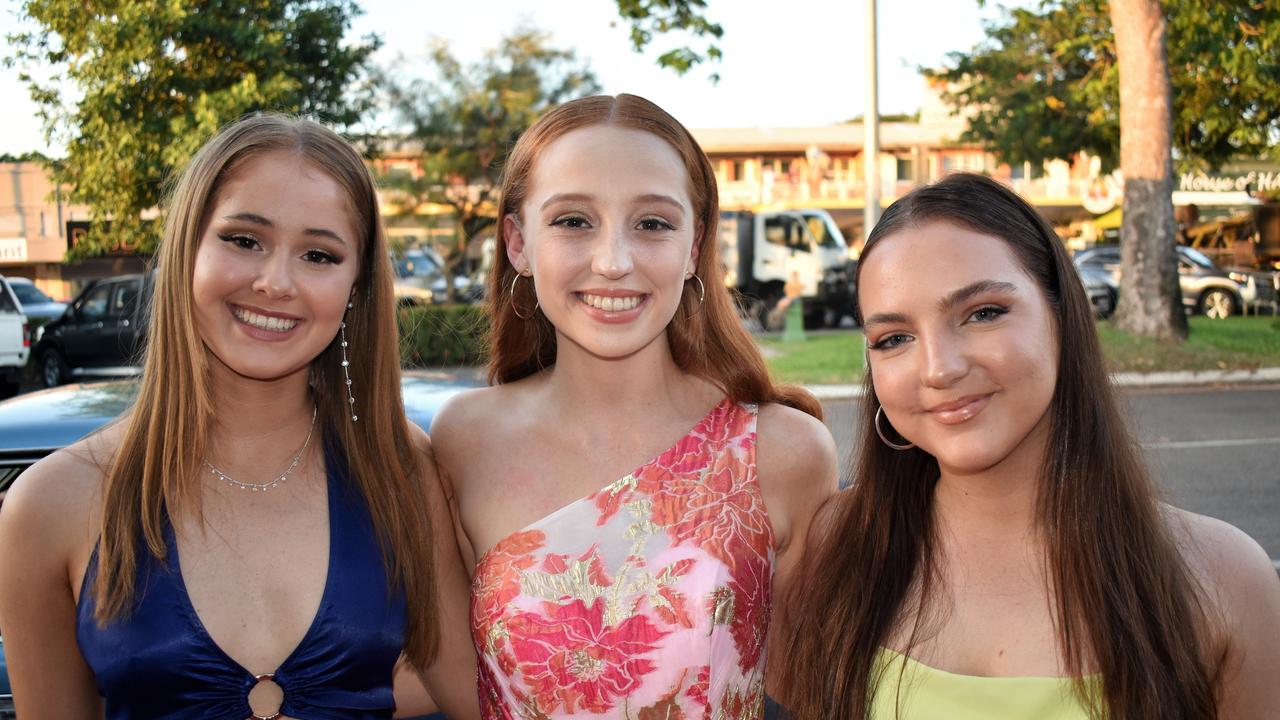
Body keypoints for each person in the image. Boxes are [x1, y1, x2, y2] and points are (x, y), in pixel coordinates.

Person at [0, 115, 478, 720]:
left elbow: (485, 697)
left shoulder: (399, 468)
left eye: (318, 254)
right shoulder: (49, 503)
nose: (275, 282)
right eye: (244, 240)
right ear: (186, 251)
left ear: (355, 286)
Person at [780, 173, 1280, 719]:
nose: (940, 368)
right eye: (894, 338)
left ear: (1062, 316)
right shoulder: (833, 548)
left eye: (983, 313)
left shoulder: (1221, 579)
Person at [429, 93, 838, 719]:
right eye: (572, 221)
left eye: (652, 223)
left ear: (696, 244)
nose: (614, 261)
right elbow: (449, 677)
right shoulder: (463, 439)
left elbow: (810, 693)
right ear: (516, 243)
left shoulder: (782, 451)